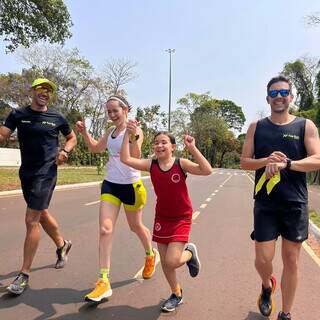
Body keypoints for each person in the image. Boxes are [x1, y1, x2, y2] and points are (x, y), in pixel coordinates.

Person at [240, 75, 320, 320]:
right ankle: (267, 285)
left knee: (292, 260)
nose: (279, 97)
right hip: (265, 202)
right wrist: (267, 161)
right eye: (273, 93)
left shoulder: (305, 126)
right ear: (267, 98)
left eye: (283, 92)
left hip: (295, 203)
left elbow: (317, 159)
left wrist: (288, 164)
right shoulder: (257, 127)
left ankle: (286, 313)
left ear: (290, 96)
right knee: (262, 259)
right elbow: (244, 162)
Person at [120, 125, 213, 312]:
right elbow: (126, 159)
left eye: (164, 142)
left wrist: (193, 148)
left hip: (181, 218)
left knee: (172, 260)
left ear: (173, 146)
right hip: (162, 218)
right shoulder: (151, 164)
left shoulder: (181, 163)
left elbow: (207, 170)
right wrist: (127, 136)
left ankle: (189, 253)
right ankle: (176, 294)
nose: (159, 146)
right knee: (165, 263)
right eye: (156, 143)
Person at [76, 95, 157, 303]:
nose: (112, 115)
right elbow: (95, 148)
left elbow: (137, 156)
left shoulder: (135, 129)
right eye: (109, 111)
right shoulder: (110, 132)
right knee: (105, 229)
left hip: (131, 186)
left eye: (115, 111)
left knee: (136, 226)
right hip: (111, 184)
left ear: (125, 110)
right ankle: (103, 281)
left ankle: (150, 254)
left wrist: (131, 137)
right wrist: (84, 132)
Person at [0, 78, 77, 295]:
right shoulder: (18, 115)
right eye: (42, 89)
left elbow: (71, 139)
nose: (45, 93)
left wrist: (65, 152)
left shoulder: (57, 117)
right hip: (26, 172)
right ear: (33, 90)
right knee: (41, 213)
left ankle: (23, 274)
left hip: (47, 172)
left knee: (31, 219)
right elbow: (3, 135)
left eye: (49, 90)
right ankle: (62, 245)